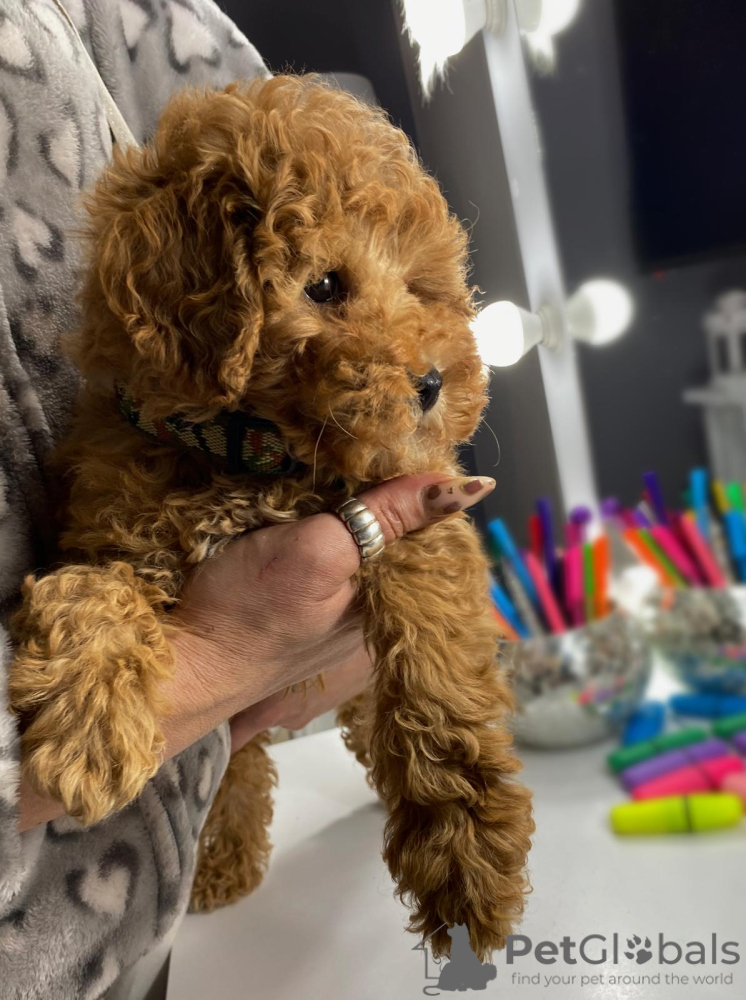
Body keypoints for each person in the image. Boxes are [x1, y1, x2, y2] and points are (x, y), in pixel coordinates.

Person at [0, 2, 494, 997]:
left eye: (420, 292)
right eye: (326, 287)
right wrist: (207, 661)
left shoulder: (170, 28)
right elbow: (111, 574)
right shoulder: (135, 439)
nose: (418, 351)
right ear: (201, 303)